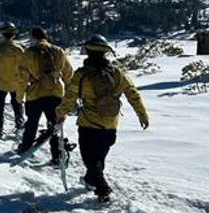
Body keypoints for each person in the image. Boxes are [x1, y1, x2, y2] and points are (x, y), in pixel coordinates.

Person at [56, 35, 149, 202]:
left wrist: (60, 113)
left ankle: (102, 188)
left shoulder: (81, 74)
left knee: (89, 158)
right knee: (99, 157)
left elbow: (70, 98)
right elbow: (132, 93)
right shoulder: (117, 73)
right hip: (110, 123)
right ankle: (91, 180)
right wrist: (142, 114)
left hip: (88, 123)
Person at [16, 27, 74, 164]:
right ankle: (57, 154)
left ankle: (26, 148)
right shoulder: (58, 51)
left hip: (35, 93)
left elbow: (22, 78)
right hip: (55, 93)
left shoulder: (28, 53)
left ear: (33, 38)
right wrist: (70, 95)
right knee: (54, 125)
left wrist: (19, 96)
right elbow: (68, 74)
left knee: (32, 123)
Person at [0, 22, 25, 138]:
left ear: (2, 34)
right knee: (18, 106)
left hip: (1, 82)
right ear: (13, 34)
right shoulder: (19, 49)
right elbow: (24, 68)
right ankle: (20, 126)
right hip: (16, 83)